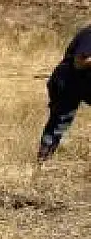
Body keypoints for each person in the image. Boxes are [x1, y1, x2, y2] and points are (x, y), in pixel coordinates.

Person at [38, 24, 91, 162]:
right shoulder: (89, 34)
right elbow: (79, 62)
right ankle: (43, 159)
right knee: (60, 120)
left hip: (84, 81)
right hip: (67, 82)